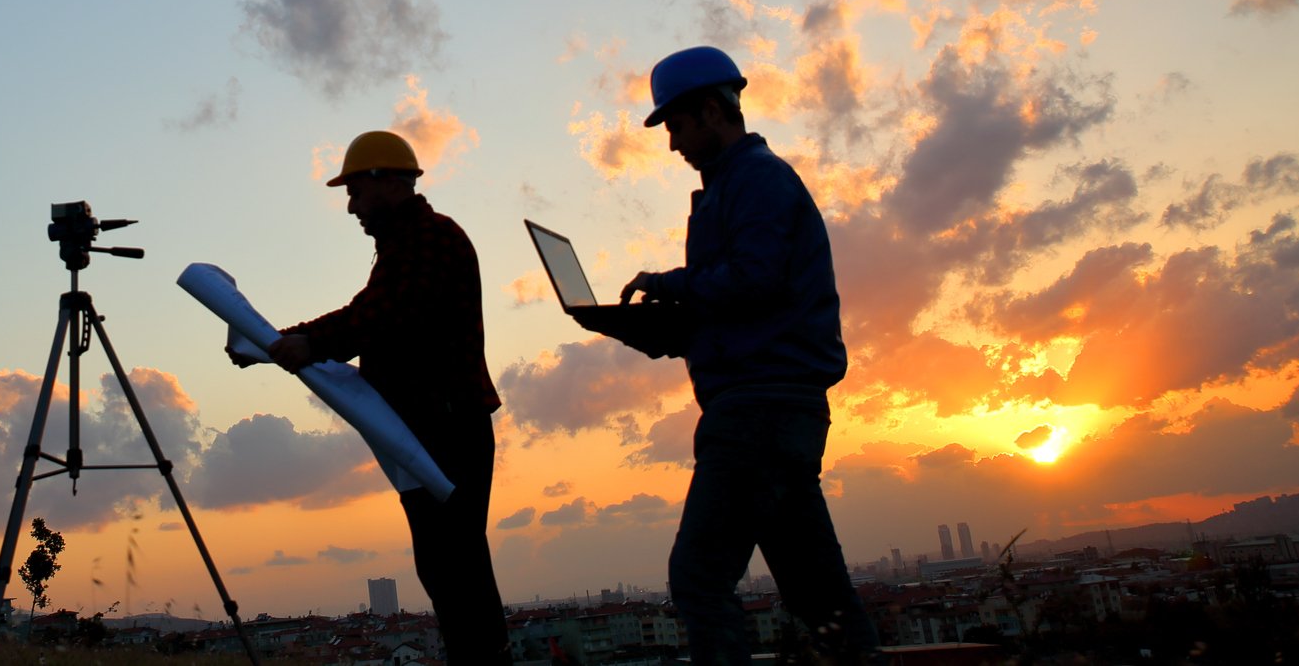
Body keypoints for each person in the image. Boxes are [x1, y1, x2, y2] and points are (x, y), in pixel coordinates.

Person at [579, 46, 878, 666]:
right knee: (819, 599)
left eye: (678, 126)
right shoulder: (731, 189)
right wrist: (641, 329)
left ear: (712, 111)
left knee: (699, 581)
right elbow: (735, 312)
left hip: (758, 414)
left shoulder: (758, 181)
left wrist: (670, 283)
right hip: (768, 410)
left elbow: (755, 280)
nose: (672, 145)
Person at [245, 130, 510, 664]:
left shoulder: (429, 240)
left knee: (453, 565)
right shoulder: (411, 244)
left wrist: (298, 342)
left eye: (355, 193)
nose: (351, 207)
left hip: (446, 428)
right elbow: (372, 311)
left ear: (388, 184)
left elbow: (379, 316)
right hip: (430, 430)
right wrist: (282, 344)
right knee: (447, 564)